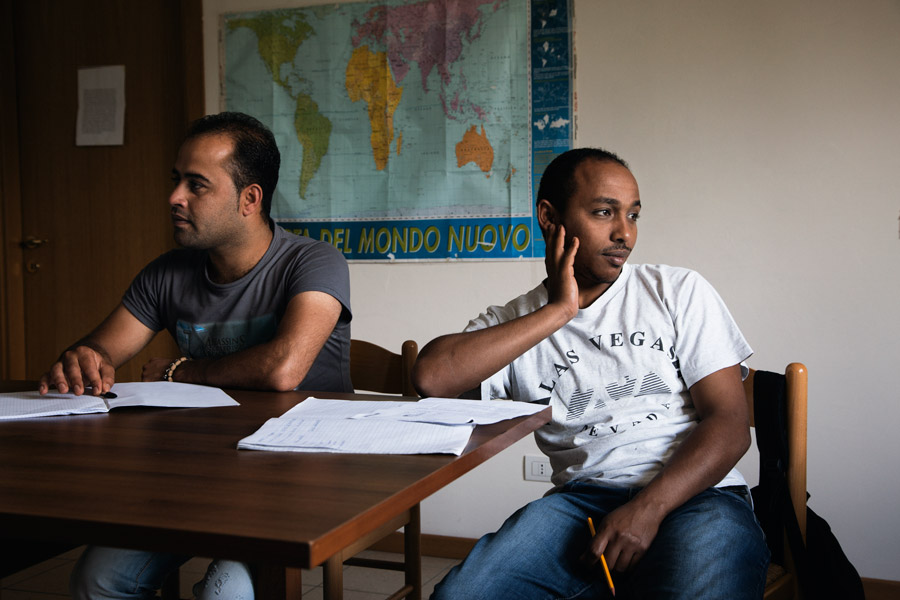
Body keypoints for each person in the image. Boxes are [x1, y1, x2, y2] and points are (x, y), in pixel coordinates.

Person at [412, 148, 769, 599]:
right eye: (604, 212)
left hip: (698, 495)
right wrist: (560, 311)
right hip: (578, 505)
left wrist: (646, 510)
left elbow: (731, 427)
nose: (624, 233)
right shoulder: (513, 322)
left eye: (634, 215)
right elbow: (431, 377)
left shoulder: (676, 290)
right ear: (549, 216)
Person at [39, 112, 353, 600]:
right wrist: (84, 357)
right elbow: (104, 347)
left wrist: (184, 371)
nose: (174, 198)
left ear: (250, 199)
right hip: (197, 472)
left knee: (222, 595)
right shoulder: (167, 273)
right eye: (175, 180)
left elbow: (283, 369)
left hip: (295, 475)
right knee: (95, 581)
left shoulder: (314, 262)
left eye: (196, 185)